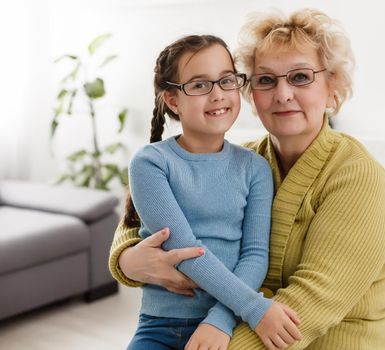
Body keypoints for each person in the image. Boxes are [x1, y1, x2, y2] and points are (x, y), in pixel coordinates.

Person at [110, 9, 385, 350]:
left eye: (301, 77)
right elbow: (141, 219)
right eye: (265, 80)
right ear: (250, 91)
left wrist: (218, 330)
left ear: (332, 83)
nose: (282, 94)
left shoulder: (357, 177)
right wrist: (128, 260)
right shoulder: (244, 159)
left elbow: (308, 309)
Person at [121, 34, 302, 350]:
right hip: (160, 328)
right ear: (173, 100)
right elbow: (185, 250)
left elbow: (256, 255)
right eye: (200, 85)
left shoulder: (255, 168)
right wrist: (256, 308)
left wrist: (220, 320)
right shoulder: (150, 163)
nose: (218, 94)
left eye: (226, 81)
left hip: (228, 322)